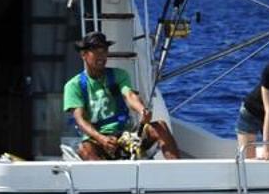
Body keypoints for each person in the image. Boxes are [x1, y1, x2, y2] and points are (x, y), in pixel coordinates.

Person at [64, 31, 182, 160]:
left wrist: (142, 110)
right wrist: (101, 138)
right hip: (98, 139)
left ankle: (176, 173)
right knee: (85, 149)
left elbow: (130, 96)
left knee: (160, 126)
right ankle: (108, 179)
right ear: (83, 54)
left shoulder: (119, 75)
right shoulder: (73, 85)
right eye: (95, 51)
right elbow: (80, 120)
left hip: (125, 135)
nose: (101, 55)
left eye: (104, 50)